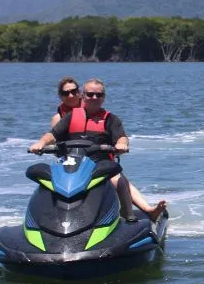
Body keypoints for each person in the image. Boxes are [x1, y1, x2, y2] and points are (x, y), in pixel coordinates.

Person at [29, 78, 167, 222]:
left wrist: (121, 145)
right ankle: (45, 219)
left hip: (100, 165)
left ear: (103, 98)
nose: (94, 98)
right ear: (83, 96)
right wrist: (41, 143)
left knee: (117, 180)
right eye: (90, 94)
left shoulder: (111, 119)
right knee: (50, 182)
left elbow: (122, 137)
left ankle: (128, 214)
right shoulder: (71, 117)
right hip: (72, 162)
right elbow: (53, 134)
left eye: (98, 95)